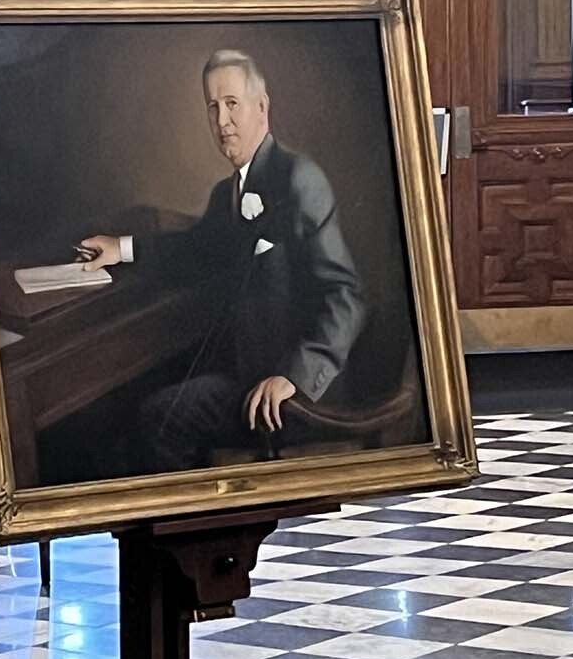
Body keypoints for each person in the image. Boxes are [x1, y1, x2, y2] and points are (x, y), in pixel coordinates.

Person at [79, 49, 364, 472]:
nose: (222, 122)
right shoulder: (224, 193)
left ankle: (191, 530)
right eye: (212, 108)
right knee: (132, 411)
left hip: (293, 394)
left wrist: (294, 378)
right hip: (246, 373)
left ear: (262, 107)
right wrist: (118, 248)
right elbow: (194, 250)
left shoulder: (298, 178)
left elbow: (346, 295)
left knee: (160, 419)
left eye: (232, 105)